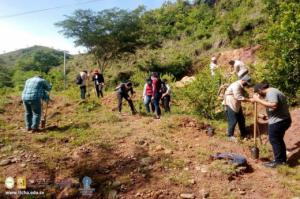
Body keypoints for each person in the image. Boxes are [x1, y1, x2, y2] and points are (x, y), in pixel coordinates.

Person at [252, 82, 291, 168]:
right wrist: (265, 116)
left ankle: (278, 162)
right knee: (278, 140)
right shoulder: (273, 91)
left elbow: (273, 105)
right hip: (282, 120)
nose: (259, 95)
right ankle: (281, 160)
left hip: (279, 121)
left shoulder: (271, 92)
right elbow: (271, 105)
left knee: (274, 140)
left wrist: (257, 100)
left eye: (258, 93)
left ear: (260, 90)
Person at [223, 75, 252, 141]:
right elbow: (238, 97)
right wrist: (250, 100)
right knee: (233, 120)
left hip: (236, 104)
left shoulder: (240, 85)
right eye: (246, 83)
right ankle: (230, 135)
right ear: (243, 80)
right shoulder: (236, 85)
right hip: (230, 103)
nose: (247, 85)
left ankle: (243, 133)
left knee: (241, 119)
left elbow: (243, 95)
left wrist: (249, 97)